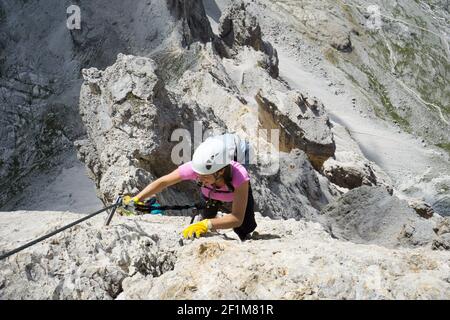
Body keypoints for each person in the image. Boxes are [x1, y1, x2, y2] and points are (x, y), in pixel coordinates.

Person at [124, 133, 257, 240]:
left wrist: (207, 224)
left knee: (247, 225)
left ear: (220, 171)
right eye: (198, 175)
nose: (199, 179)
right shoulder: (197, 168)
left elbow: (236, 218)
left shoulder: (240, 177)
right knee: (208, 213)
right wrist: (137, 198)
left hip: (237, 159)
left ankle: (244, 236)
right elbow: (163, 182)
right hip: (212, 189)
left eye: (204, 176)